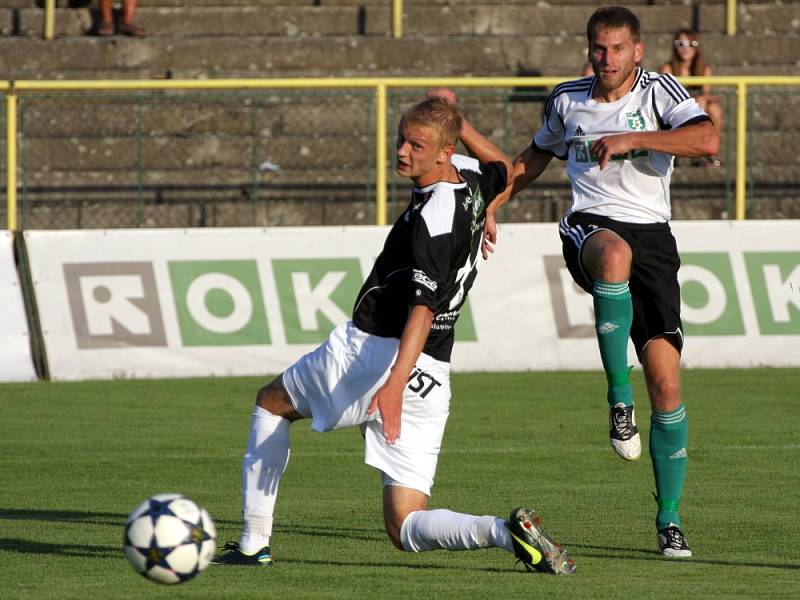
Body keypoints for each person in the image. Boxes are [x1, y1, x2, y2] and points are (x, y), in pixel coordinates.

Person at [213, 93, 576, 575]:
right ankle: (500, 531)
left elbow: (421, 311)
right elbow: (505, 170)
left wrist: (391, 384)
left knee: (270, 403)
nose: (403, 150)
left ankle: (254, 542)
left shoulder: (432, 220)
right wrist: (458, 123)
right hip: (434, 374)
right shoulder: (469, 179)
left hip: (375, 352)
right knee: (405, 524)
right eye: (402, 138)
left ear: (443, 152)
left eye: (417, 144)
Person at [488, 6, 720, 558]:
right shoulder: (568, 98)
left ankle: (669, 521)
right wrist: (491, 206)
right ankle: (618, 399)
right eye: (598, 48)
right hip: (592, 227)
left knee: (667, 389)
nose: (607, 58)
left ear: (637, 51)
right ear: (588, 48)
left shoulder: (661, 89)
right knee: (612, 253)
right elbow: (534, 156)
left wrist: (636, 140)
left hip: (656, 242)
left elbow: (707, 139)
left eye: (618, 49)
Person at [660, 29, 723, 166]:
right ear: (674, 47)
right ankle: (689, 148)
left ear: (697, 47)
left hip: (698, 105)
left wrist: (707, 98)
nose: (685, 48)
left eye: (691, 44)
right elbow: (666, 96)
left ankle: (707, 151)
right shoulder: (667, 68)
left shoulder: (704, 69)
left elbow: (706, 93)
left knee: (715, 110)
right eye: (680, 44)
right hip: (674, 108)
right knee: (701, 102)